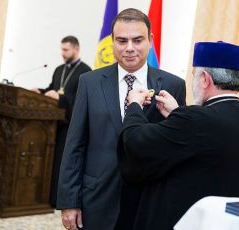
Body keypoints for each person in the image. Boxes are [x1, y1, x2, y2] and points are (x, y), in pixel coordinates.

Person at [57, 8, 186, 230]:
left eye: (137, 40)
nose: (129, 48)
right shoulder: (90, 82)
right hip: (97, 198)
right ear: (112, 42)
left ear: (150, 40)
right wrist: (69, 202)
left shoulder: (173, 85)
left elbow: (177, 149)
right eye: (122, 40)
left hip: (148, 200)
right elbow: (75, 145)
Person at [116, 41, 239, 229]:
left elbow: (136, 143)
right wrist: (177, 113)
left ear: (204, 79)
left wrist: (134, 105)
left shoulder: (194, 120)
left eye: (193, 75)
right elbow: (202, 150)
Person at [31, 35, 91, 208]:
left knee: (62, 163)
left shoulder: (86, 72)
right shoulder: (59, 69)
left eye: (65, 50)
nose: (62, 53)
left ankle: (60, 200)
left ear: (76, 49)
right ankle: (47, 198)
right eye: (61, 49)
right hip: (53, 124)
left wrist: (62, 97)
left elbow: (82, 100)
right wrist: (40, 91)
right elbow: (53, 89)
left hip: (70, 125)